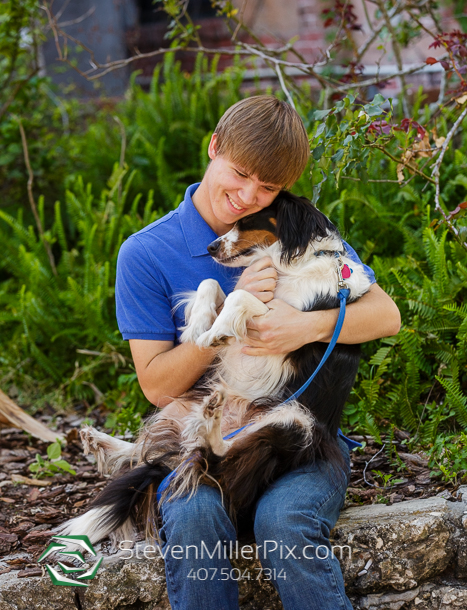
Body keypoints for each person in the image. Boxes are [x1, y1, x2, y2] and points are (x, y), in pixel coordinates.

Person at [115, 95, 401, 610]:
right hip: (205, 438)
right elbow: (157, 385)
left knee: (285, 521)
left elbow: (386, 315)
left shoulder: (293, 228)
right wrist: (230, 318)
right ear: (214, 146)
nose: (248, 196)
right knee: (197, 516)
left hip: (302, 440)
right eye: (240, 173)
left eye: (268, 187)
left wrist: (305, 326)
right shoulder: (147, 253)